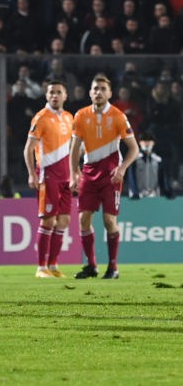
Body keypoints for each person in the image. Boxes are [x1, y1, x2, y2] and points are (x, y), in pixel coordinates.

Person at [69, 74, 139, 280]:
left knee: (109, 220)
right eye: (95, 89)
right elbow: (74, 149)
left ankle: (113, 267)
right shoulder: (80, 115)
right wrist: (74, 173)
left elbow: (134, 149)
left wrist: (122, 168)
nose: (98, 92)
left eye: (102, 89)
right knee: (83, 219)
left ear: (109, 93)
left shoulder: (118, 116)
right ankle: (91, 266)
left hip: (111, 174)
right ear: (90, 92)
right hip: (89, 172)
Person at [23, 79, 74, 278]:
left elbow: (71, 148)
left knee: (63, 221)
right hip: (48, 175)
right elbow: (28, 148)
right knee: (48, 221)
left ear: (65, 95)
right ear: (46, 95)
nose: (55, 95)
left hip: (66, 176)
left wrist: (75, 171)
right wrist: (31, 173)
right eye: (51, 92)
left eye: (58, 92)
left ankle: (53, 265)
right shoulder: (41, 118)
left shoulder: (70, 117)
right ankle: (41, 267)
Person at [133, 131, 173, 198]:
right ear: (139, 142)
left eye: (149, 140)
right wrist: (135, 192)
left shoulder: (158, 160)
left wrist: (167, 192)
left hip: (154, 195)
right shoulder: (134, 160)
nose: (147, 143)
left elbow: (162, 179)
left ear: (153, 143)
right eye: (144, 140)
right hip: (138, 196)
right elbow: (131, 178)